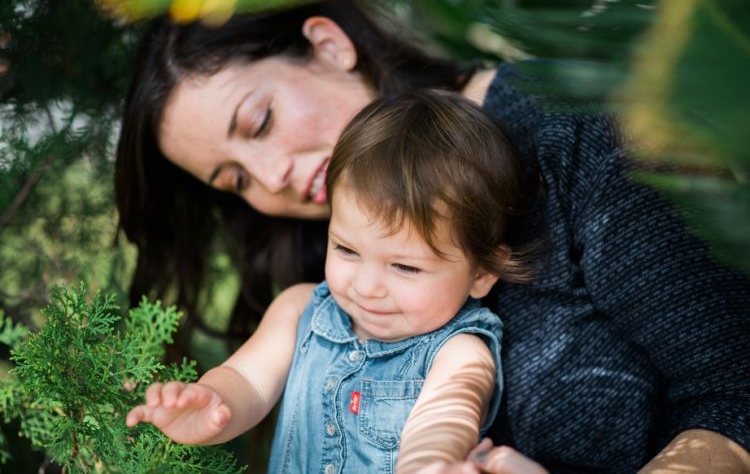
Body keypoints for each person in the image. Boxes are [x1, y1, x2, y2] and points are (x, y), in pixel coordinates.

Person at [115, 0, 750, 473]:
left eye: (259, 123)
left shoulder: (573, 129)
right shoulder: (328, 298)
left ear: (329, 45)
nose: (271, 179)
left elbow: (733, 397)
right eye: (234, 181)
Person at [126, 90, 535, 473]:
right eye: (346, 250)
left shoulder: (459, 351)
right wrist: (211, 403)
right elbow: (247, 381)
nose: (367, 286)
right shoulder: (300, 310)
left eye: (405, 267)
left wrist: (430, 463)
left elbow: (443, 421)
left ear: (482, 272)